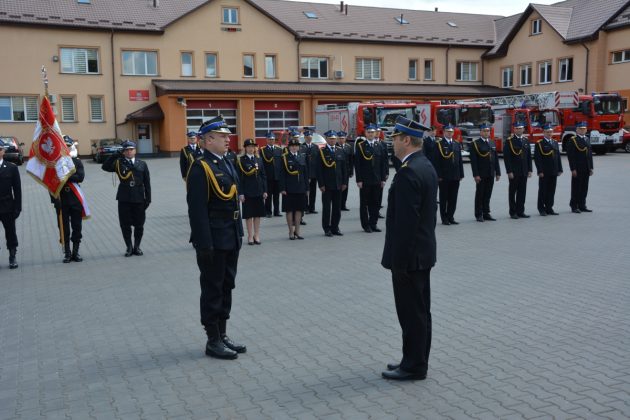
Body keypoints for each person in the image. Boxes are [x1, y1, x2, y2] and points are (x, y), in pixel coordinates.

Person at [381, 116, 436, 381]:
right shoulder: (424, 165)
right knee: (420, 312)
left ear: (405, 140)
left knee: (411, 314)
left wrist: (398, 263)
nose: (392, 144)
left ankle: (414, 366)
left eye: (394, 139)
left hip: (409, 258)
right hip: (423, 254)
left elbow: (405, 224)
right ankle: (414, 359)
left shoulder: (409, 173)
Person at [187, 116, 246, 360]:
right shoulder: (201, 168)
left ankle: (222, 334)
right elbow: (197, 210)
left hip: (230, 234)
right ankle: (212, 339)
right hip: (213, 239)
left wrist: (239, 233)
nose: (227, 139)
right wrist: (204, 243)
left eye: (227, 136)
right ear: (208, 140)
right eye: (222, 136)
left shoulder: (227, 162)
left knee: (227, 285)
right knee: (212, 288)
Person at [102, 140, 151, 256]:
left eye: (131, 149)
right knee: (125, 224)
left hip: (139, 198)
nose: (129, 152)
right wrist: (115, 155)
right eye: (126, 150)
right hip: (124, 198)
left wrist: (148, 199)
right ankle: (129, 247)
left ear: (135, 150)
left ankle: (137, 247)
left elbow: (147, 183)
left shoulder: (142, 164)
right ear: (123, 152)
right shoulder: (119, 163)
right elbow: (105, 167)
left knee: (139, 224)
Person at [52, 136, 86, 263]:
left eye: (67, 145)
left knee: (77, 226)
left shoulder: (76, 162)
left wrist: (65, 176)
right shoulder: (55, 163)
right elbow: (51, 183)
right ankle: (67, 252)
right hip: (61, 200)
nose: (65, 147)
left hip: (75, 198)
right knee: (63, 227)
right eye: (63, 145)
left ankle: (76, 252)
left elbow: (80, 177)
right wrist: (55, 200)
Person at [354, 124, 388, 233]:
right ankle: (366, 225)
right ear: (365, 133)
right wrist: (359, 179)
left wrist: (383, 179)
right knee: (364, 204)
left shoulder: (379, 145)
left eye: (372, 132)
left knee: (376, 202)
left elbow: (383, 163)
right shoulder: (360, 146)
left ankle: (373, 223)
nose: (371, 134)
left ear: (375, 133)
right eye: (368, 132)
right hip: (365, 179)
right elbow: (358, 164)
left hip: (377, 179)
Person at [237, 139, 267, 245]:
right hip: (247, 191)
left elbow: (263, 176)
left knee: (257, 214)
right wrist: (240, 193)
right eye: (249, 146)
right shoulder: (241, 160)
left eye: (253, 146)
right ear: (245, 148)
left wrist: (265, 190)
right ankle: (250, 235)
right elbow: (239, 179)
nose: (251, 148)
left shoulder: (259, 159)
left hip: (258, 190)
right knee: (249, 215)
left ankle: (256, 235)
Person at [317, 130, 347, 237]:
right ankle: (326, 228)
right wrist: (321, 184)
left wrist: (344, 182)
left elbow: (344, 168)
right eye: (330, 139)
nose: (332, 140)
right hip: (327, 185)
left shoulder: (340, 151)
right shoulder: (322, 151)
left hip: (338, 184)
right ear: (327, 139)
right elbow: (319, 170)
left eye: (334, 139)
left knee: (337, 208)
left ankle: (335, 227)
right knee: (326, 208)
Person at [279, 134, 309, 240]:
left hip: (300, 187)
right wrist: (282, 188)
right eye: (292, 146)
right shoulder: (285, 158)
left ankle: (297, 230)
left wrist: (307, 188)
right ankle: (290, 231)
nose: (295, 147)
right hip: (289, 188)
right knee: (289, 210)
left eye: (296, 146)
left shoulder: (302, 156)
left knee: (299, 210)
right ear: (289, 147)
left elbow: (305, 173)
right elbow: (281, 174)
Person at [470, 122, 501, 222]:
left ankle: (486, 212)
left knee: (488, 193)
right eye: (484, 131)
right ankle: (478, 214)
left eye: (488, 131)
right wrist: (476, 174)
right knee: (480, 194)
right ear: (480, 132)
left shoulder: (492, 142)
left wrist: (498, 172)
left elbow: (495, 158)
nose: (486, 133)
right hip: (481, 173)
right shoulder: (475, 144)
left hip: (490, 172)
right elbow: (473, 161)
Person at [434, 125, 464, 225]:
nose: (450, 133)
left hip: (455, 176)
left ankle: (451, 216)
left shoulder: (456, 143)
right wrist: (438, 175)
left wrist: (461, 174)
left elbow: (459, 160)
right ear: (443, 132)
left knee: (453, 198)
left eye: (451, 132)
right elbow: (436, 161)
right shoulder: (439, 144)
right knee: (444, 198)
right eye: (448, 131)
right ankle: (444, 218)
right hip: (444, 176)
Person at [503, 122, 532, 219]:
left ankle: (521, 211)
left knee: (522, 192)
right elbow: (507, 158)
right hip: (514, 172)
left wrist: (530, 170)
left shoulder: (525, 140)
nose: (519, 130)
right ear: (514, 130)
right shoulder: (509, 141)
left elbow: (528, 157)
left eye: (521, 128)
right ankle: (513, 212)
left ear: (523, 129)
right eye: (517, 128)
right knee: (512, 192)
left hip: (524, 171)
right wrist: (509, 171)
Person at [0, 141, 21, 269]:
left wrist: (18, 207)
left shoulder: (12, 168)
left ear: (3, 151)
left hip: (7, 205)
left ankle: (12, 256)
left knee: (10, 232)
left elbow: (17, 189)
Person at [534, 124, 563, 216]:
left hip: (554, 170)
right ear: (543, 133)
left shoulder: (554, 142)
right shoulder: (539, 143)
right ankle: (541, 209)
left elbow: (558, 157)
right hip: (544, 171)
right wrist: (540, 171)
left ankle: (549, 207)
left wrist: (560, 169)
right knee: (543, 190)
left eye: (551, 132)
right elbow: (537, 158)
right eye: (547, 132)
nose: (549, 133)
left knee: (551, 190)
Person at [566, 121, 594, 213]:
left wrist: (591, 167)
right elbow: (571, 156)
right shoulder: (573, 140)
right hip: (577, 168)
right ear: (577, 130)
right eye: (581, 129)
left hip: (586, 167)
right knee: (576, 188)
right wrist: (573, 169)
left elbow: (589, 155)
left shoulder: (587, 139)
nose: (582, 130)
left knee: (584, 187)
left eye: (584, 129)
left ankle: (582, 205)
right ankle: (574, 206)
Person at [260, 132, 282, 217]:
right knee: (268, 195)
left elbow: (280, 163)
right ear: (266, 140)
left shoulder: (279, 149)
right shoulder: (262, 150)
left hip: (277, 176)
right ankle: (268, 211)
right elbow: (261, 164)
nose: (271, 141)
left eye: (272, 139)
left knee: (276, 195)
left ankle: (277, 211)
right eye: (269, 139)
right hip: (268, 176)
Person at [300, 129, 319, 214]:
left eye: (310, 137)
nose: (309, 138)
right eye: (307, 137)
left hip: (314, 173)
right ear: (304, 137)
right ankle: (305, 208)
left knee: (313, 192)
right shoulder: (301, 147)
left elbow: (318, 161)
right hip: (305, 174)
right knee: (305, 192)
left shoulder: (315, 147)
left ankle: (312, 208)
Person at [337, 131, 354, 211]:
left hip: (346, 171)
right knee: (338, 188)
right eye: (339, 138)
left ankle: (343, 205)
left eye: (342, 138)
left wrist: (351, 172)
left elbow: (351, 160)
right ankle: (338, 205)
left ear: (345, 139)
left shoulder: (348, 147)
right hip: (337, 172)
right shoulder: (335, 147)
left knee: (345, 188)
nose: (341, 140)